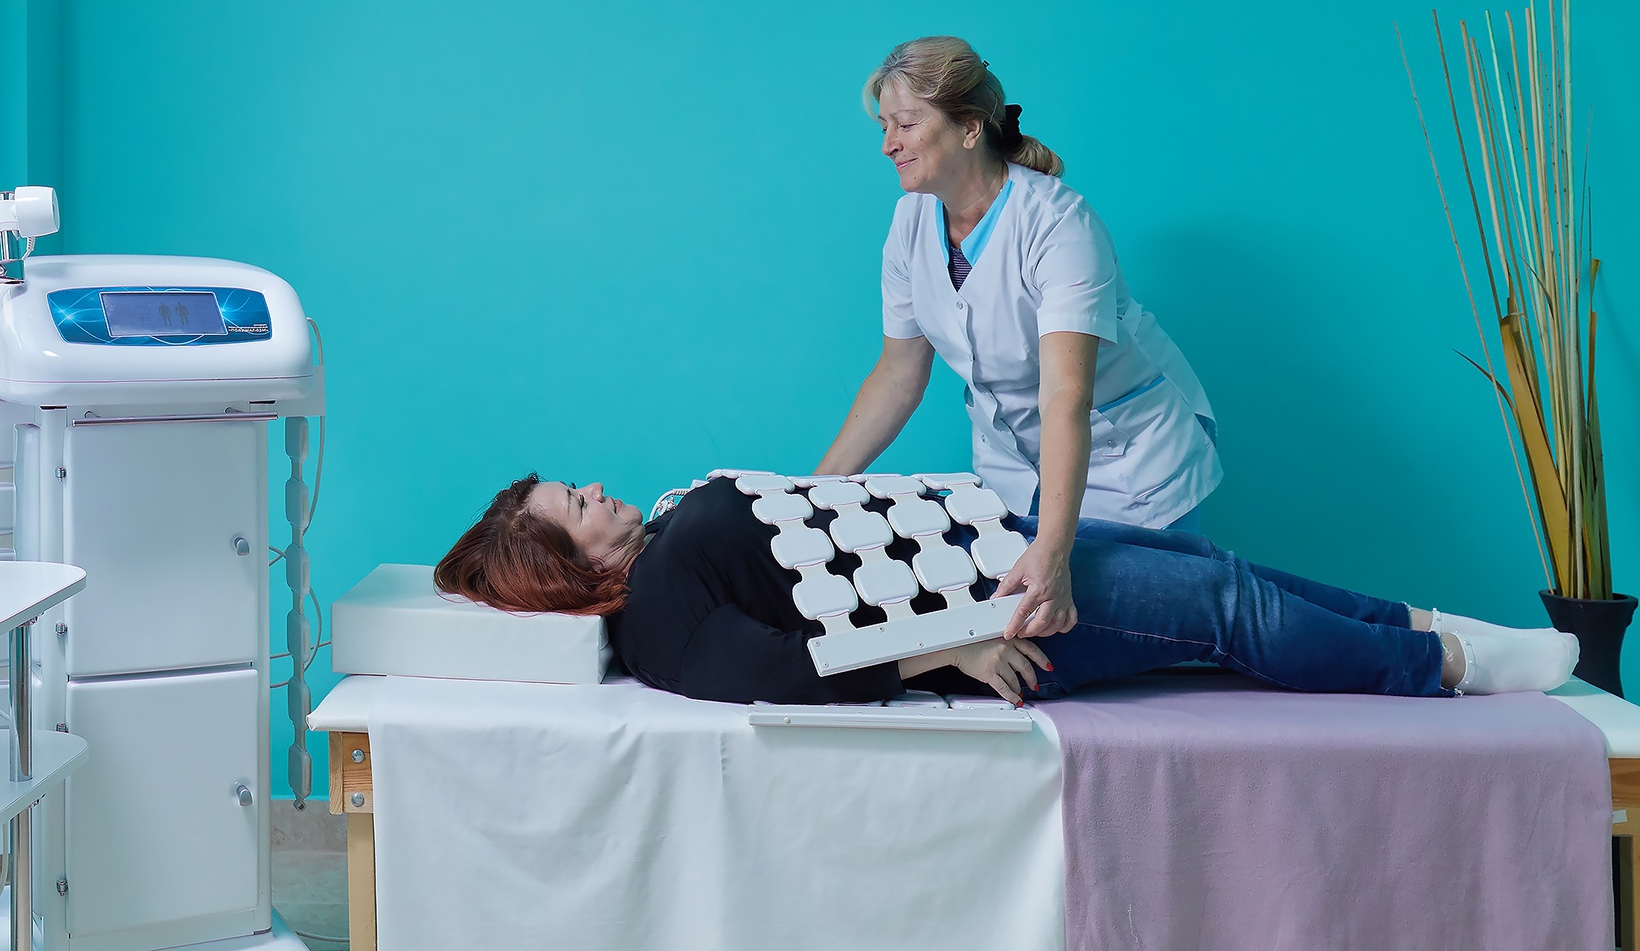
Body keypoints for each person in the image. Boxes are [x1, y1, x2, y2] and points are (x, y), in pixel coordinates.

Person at [435, 474, 1579, 708]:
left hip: (997, 539)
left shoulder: (663, 541)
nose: (593, 488)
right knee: (1225, 615)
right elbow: (780, 671)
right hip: (992, 608)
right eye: (572, 504)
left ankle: (1432, 625)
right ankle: (1450, 670)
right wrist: (957, 647)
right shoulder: (658, 623)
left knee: (1216, 568)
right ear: (566, 563)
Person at [818, 36, 1221, 642]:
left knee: (1160, 629)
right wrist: (810, 496)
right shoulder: (910, 223)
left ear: (969, 128)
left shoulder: (1058, 224)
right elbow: (898, 375)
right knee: (1015, 639)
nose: (887, 145)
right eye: (884, 127)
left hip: (1129, 461)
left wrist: (1053, 553)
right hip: (1014, 473)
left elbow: (1066, 394)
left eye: (905, 124)